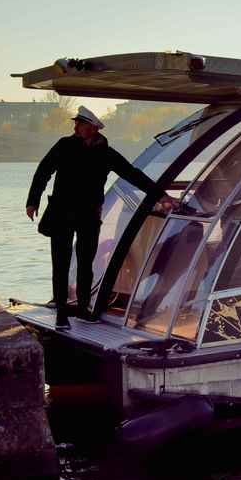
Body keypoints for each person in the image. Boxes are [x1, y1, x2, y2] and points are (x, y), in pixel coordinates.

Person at [26, 106, 175, 329]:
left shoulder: (106, 153)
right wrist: (32, 200)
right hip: (61, 214)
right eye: (76, 123)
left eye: (80, 123)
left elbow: (132, 174)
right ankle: (62, 313)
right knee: (61, 263)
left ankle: (84, 308)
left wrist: (161, 195)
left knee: (86, 263)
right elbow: (43, 171)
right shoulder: (64, 145)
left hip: (88, 215)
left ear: (93, 128)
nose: (75, 126)